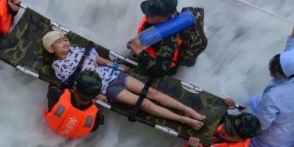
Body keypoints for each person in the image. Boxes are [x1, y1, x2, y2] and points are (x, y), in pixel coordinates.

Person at [43, 30, 206, 130]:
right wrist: (96, 95)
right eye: (58, 42)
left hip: (112, 74)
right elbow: (73, 85)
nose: (64, 42)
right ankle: (183, 119)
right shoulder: (59, 66)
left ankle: (188, 110)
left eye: (64, 39)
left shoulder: (76, 49)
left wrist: (115, 66)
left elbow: (97, 59)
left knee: (151, 92)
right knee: (144, 103)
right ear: (51, 49)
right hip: (105, 88)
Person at [248, 22, 294, 147]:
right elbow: (291, 56)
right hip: (288, 136)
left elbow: (261, 125)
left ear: (281, 74)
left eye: (273, 71)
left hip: (272, 145)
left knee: (248, 110)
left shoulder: (274, 96)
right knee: (254, 101)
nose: (270, 72)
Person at [129, 0, 206, 77]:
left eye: (151, 14)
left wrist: (140, 53)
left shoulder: (169, 40)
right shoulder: (166, 4)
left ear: (164, 18)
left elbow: (160, 71)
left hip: (162, 62)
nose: (147, 14)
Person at [44, 70, 105, 139]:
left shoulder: (57, 95)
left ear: (75, 89)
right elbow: (94, 128)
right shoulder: (97, 114)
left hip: (49, 127)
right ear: (96, 96)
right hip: (71, 136)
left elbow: (52, 87)